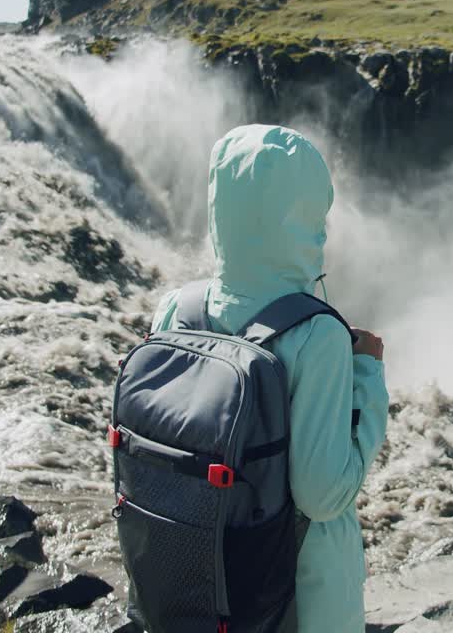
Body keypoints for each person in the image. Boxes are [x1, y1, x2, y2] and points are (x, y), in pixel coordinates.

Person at [150, 125, 390, 633]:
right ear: (303, 216)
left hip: (197, 579)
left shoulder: (178, 307)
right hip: (297, 601)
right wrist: (367, 374)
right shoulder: (315, 333)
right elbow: (323, 496)